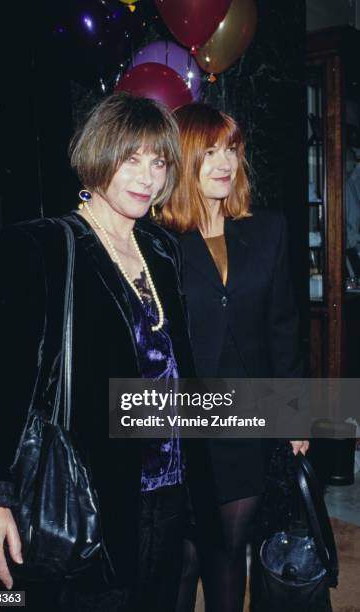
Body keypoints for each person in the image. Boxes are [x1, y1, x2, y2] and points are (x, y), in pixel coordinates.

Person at [0, 93, 196, 612]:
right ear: (98, 155)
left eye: (158, 161)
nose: (147, 176)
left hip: (167, 488)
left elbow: (178, 367)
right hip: (87, 491)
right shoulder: (43, 245)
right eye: (130, 157)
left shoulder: (160, 249)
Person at [160, 102, 309, 612]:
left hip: (249, 420)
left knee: (228, 549)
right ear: (182, 160)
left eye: (231, 149)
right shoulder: (156, 242)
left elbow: (284, 329)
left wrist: (296, 414)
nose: (224, 162)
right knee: (181, 558)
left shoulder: (268, 230)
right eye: (208, 151)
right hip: (183, 424)